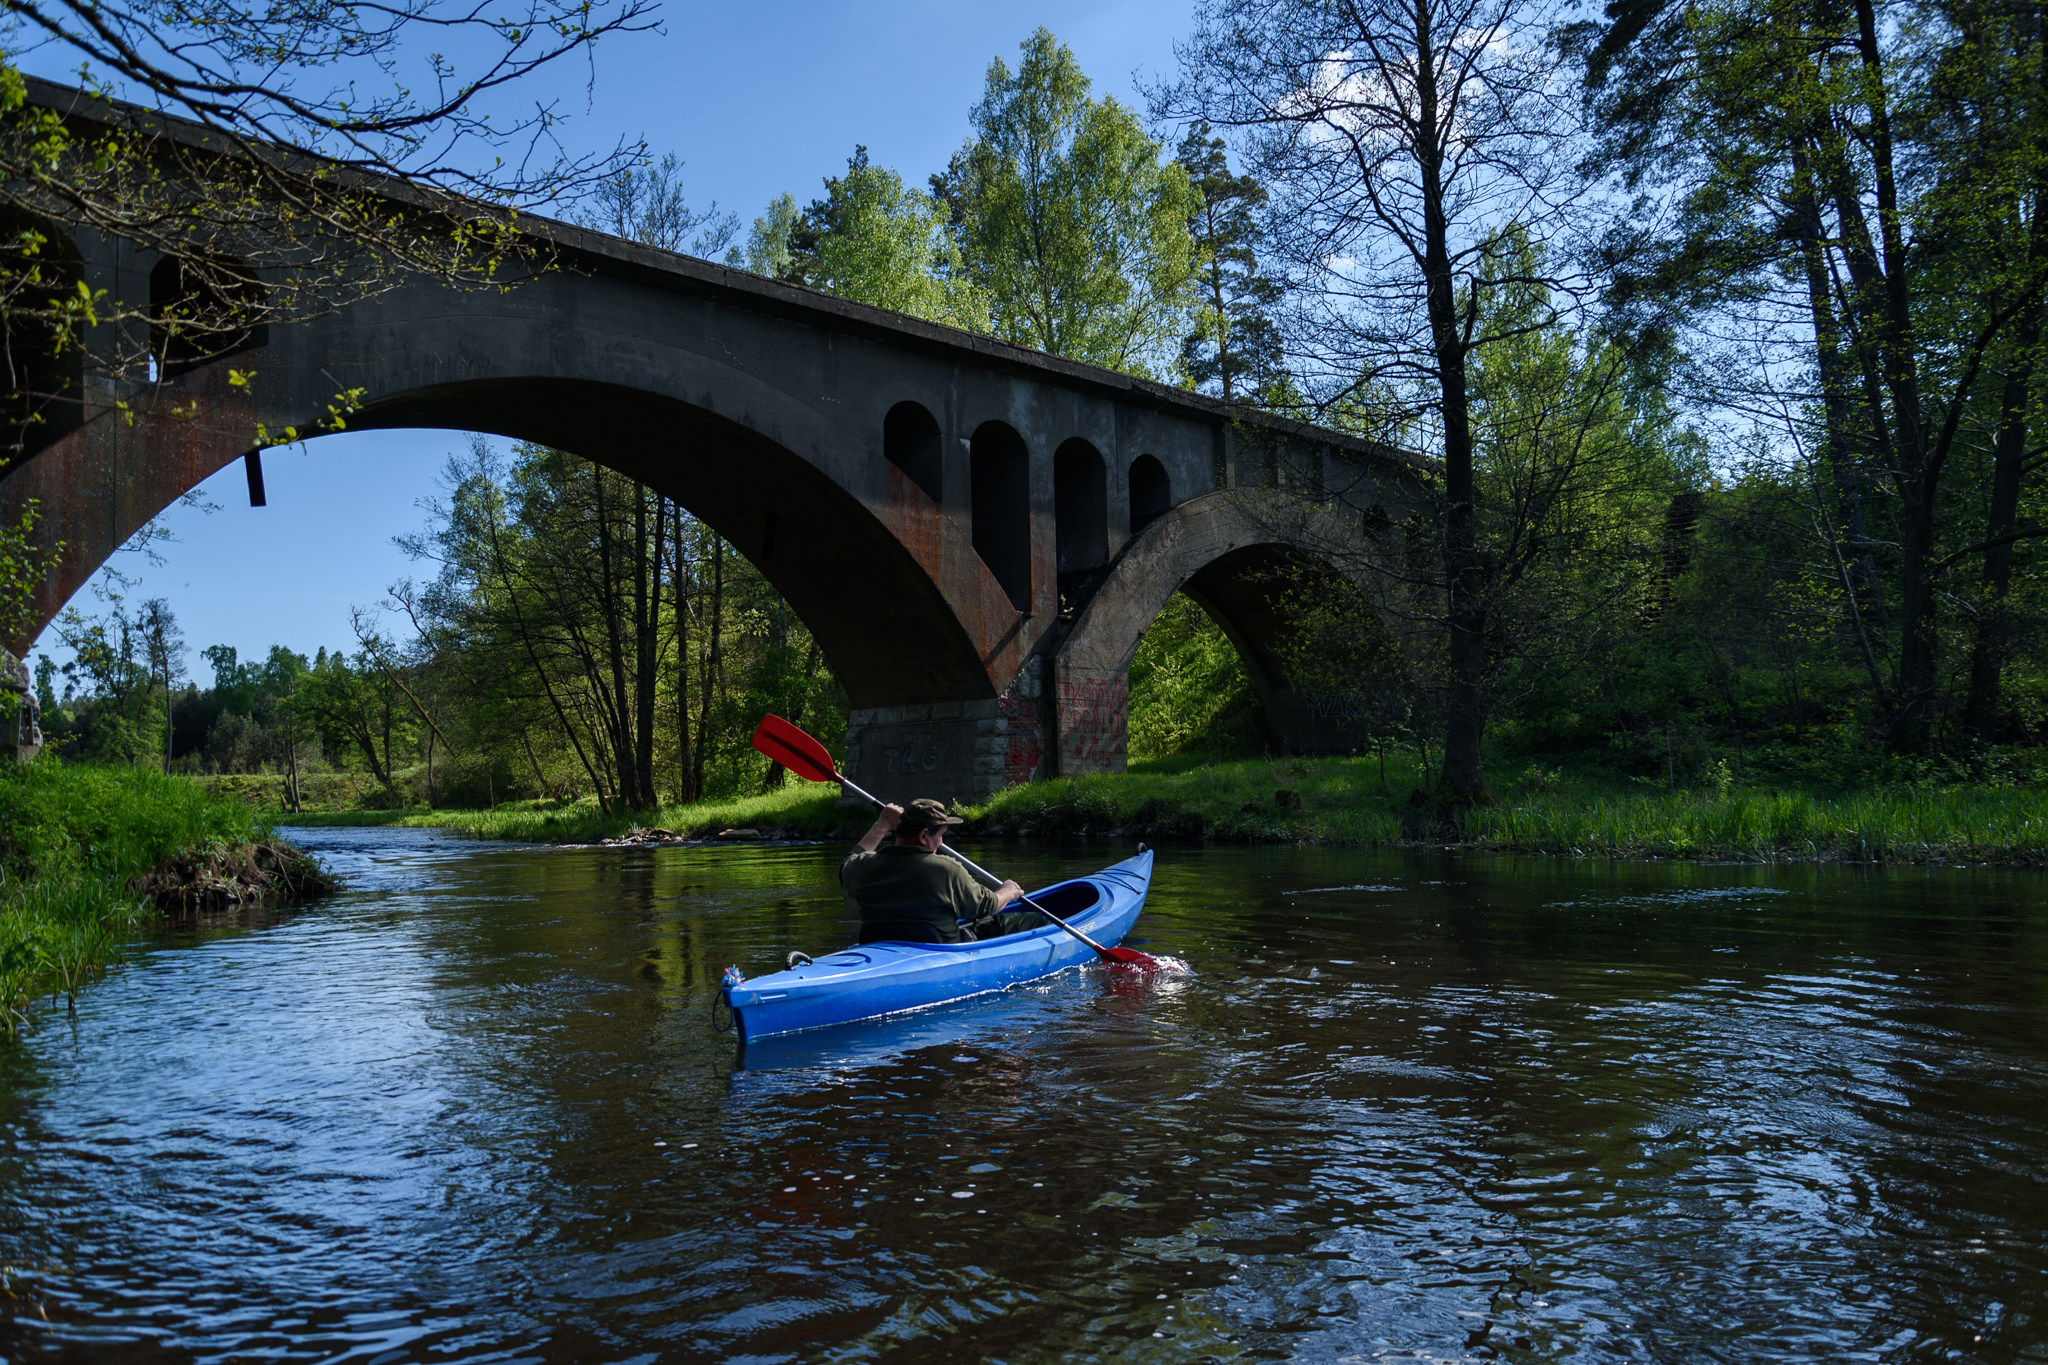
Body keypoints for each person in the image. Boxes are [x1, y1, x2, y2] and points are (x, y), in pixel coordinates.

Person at [840, 798, 1041, 944]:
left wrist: (882, 824)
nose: (941, 842)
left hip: (880, 944)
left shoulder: (865, 866)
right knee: (1034, 920)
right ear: (924, 835)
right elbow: (985, 906)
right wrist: (1008, 891)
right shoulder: (945, 869)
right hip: (941, 950)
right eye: (941, 835)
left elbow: (848, 863)